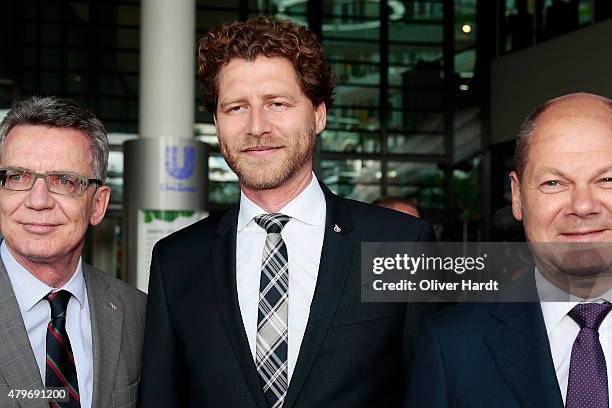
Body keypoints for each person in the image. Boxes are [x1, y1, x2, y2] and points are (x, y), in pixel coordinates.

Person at [139, 16, 435, 407]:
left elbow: (433, 390)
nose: (256, 126)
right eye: (236, 107)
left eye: (277, 103)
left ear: (318, 115)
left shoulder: (401, 243)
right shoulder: (175, 260)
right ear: (216, 123)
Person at [407, 92, 612, 407]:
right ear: (517, 196)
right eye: (554, 183)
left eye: (608, 179)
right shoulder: (452, 343)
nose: (582, 206)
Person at [0, 96, 146, 408]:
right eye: (17, 177)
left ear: (98, 204)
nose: (38, 201)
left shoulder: (138, 313)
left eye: (64, 181)